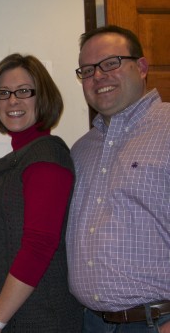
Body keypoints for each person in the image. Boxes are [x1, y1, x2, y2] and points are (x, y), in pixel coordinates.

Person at [0, 53, 83, 333]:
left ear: (43, 97)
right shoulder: (15, 162)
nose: (13, 101)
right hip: (6, 317)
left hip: (40, 321)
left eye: (24, 91)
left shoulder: (47, 157)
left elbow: (38, 247)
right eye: (3, 93)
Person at [66, 25, 170, 333]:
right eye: (87, 70)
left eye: (111, 63)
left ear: (141, 67)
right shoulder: (81, 149)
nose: (98, 76)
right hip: (91, 323)